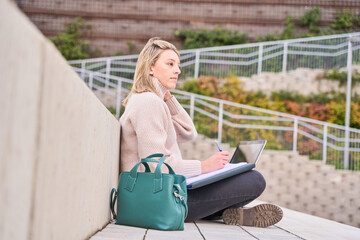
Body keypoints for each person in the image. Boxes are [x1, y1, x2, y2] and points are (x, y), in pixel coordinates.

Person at [119, 37, 283, 228]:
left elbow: (189, 132)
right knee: (254, 180)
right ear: (150, 68)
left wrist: (167, 97)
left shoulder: (152, 101)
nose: (177, 70)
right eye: (170, 64)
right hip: (156, 200)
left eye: (178, 65)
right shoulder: (148, 102)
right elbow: (158, 165)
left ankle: (223, 213)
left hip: (160, 193)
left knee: (238, 176)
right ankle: (221, 213)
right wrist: (205, 166)